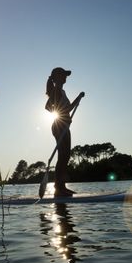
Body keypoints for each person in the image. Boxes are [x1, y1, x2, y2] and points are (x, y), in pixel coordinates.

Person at [45, 67, 85, 197]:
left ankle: (61, 187)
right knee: (63, 156)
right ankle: (58, 188)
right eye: (63, 75)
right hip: (59, 126)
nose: (65, 77)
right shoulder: (56, 90)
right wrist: (77, 98)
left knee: (65, 156)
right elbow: (51, 107)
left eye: (66, 75)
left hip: (64, 125)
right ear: (57, 77)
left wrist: (62, 111)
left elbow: (55, 107)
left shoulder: (60, 90)